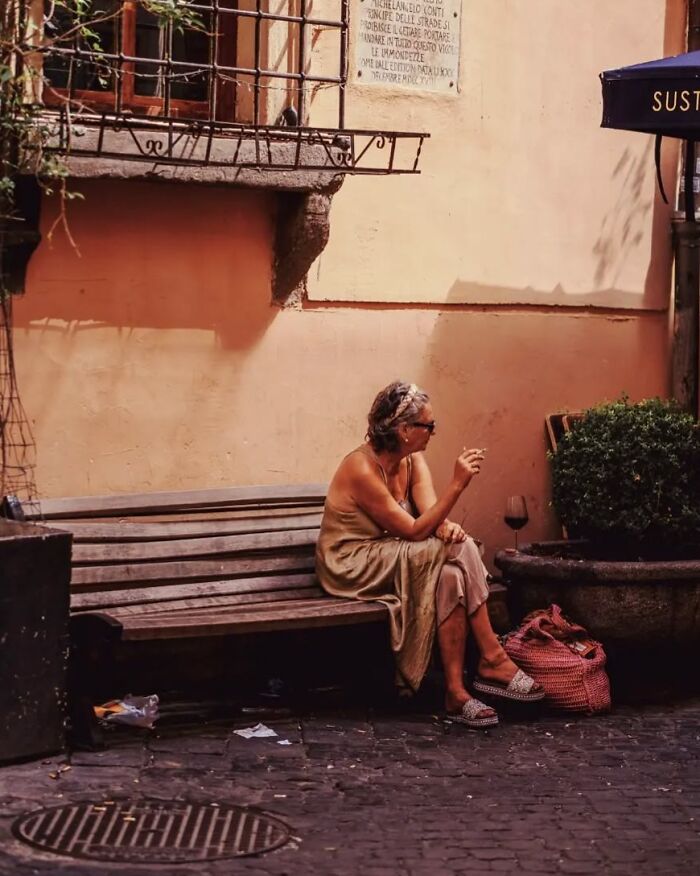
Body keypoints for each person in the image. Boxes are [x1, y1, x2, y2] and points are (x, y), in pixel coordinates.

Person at [316, 380, 544, 728]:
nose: (433, 432)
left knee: (451, 573)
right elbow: (413, 531)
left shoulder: (413, 461)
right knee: (462, 548)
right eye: (429, 426)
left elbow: (429, 519)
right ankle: (493, 656)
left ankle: (455, 691)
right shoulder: (360, 468)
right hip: (351, 562)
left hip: (392, 551)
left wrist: (447, 527)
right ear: (405, 430)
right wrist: (457, 485)